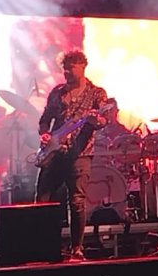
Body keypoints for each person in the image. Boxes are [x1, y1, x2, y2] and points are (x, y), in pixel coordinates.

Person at [37, 50, 109, 261]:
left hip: (80, 154)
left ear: (83, 66)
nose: (66, 72)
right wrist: (45, 134)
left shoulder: (96, 94)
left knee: (77, 201)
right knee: (42, 198)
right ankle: (44, 244)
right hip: (54, 153)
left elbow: (103, 121)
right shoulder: (57, 93)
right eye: (65, 69)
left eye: (71, 68)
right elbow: (44, 120)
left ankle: (76, 248)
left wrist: (97, 121)